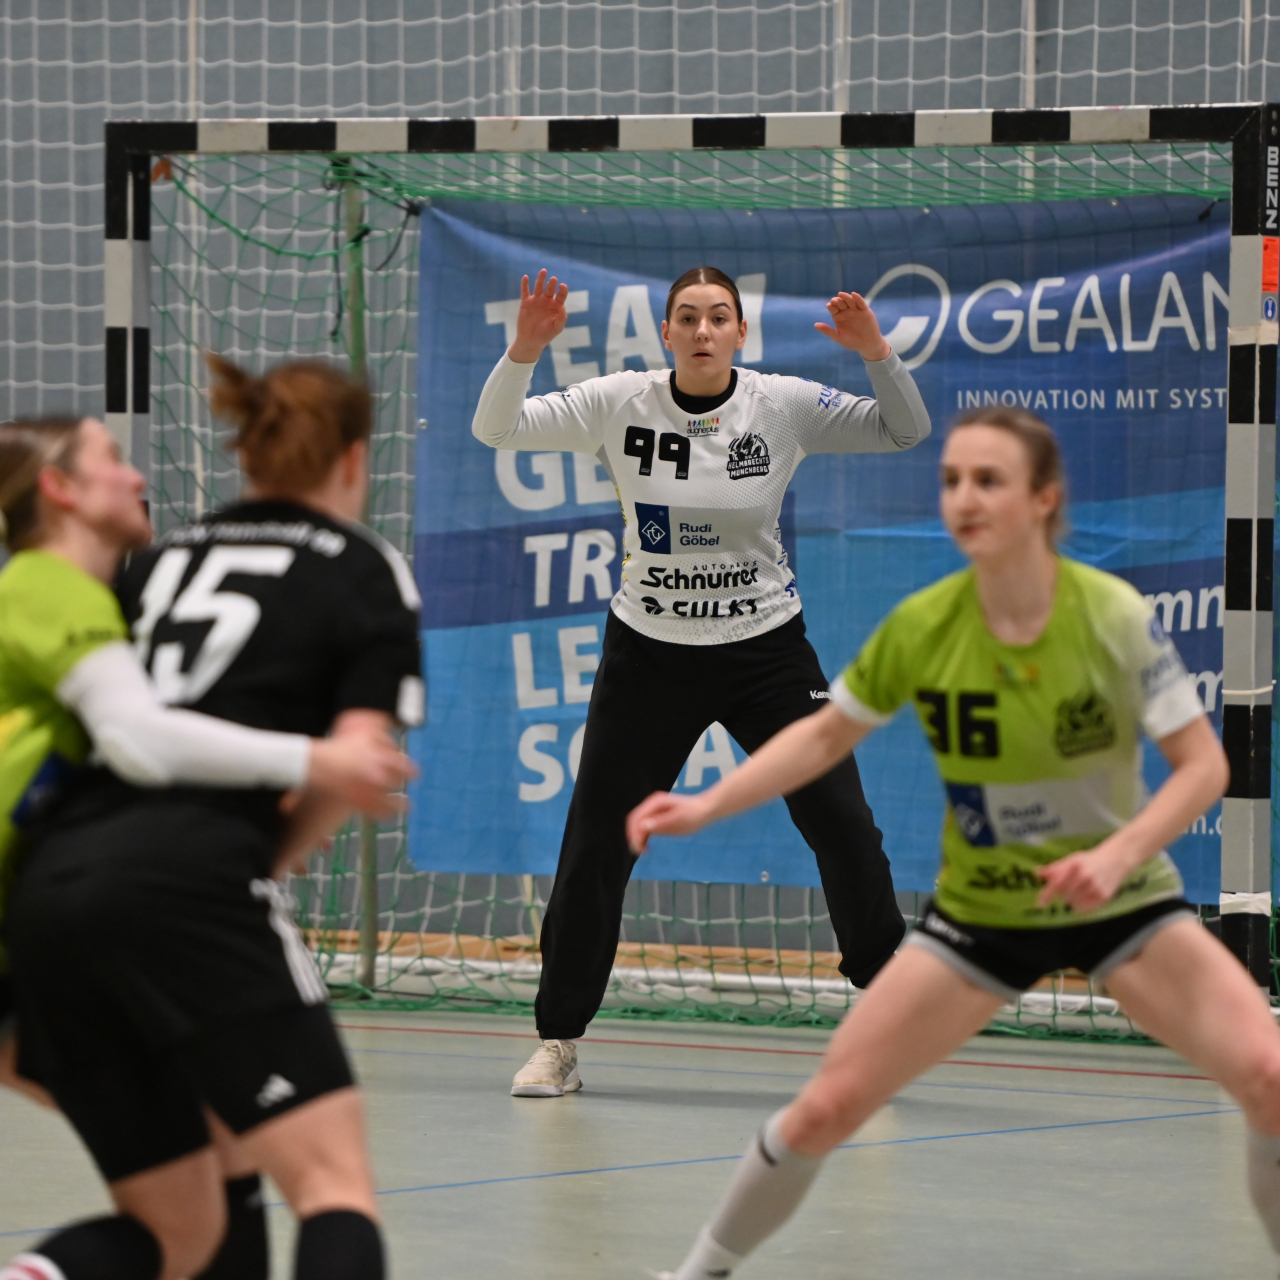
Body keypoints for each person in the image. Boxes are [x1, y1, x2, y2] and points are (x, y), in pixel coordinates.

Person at [626, 405, 1280, 1278]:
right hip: (984, 916)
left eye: (989, 481)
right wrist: (705, 805)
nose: (965, 498)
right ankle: (697, 1273)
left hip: (1122, 904)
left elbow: (1202, 768)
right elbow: (823, 738)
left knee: (1270, 1081)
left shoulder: (1108, 615)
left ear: (1043, 499)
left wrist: (1118, 856)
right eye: (952, 481)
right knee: (826, 1108)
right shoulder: (925, 625)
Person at [2, 357, 424, 1280]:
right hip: (194, 883)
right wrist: (264, 857)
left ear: (248, 452)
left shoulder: (147, 563)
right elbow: (352, 765)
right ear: (355, 458)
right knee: (333, 1187)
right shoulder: (363, 565)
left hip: (49, 896)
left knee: (187, 1221)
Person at [473, 265, 932, 1097]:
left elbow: (905, 430)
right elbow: (496, 429)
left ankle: (889, 1014)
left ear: (740, 333)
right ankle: (559, 1039)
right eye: (687, 317)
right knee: (596, 845)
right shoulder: (621, 401)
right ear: (667, 333)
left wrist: (877, 353)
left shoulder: (781, 404)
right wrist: (525, 351)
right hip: (649, 654)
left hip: (766, 654)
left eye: (719, 317)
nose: (703, 330)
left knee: (843, 824)